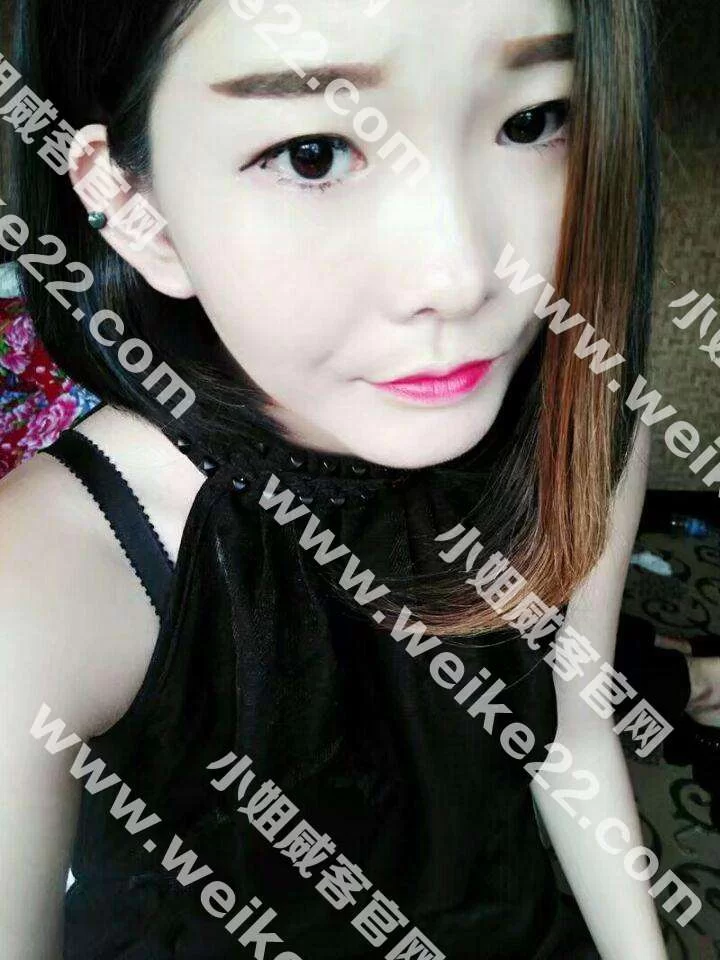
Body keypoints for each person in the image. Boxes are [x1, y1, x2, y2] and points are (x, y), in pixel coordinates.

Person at [0, 0, 671, 957]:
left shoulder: (583, 425)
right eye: (312, 155)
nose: (459, 276)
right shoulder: (48, 570)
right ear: (139, 213)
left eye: (533, 121)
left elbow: (574, 732)